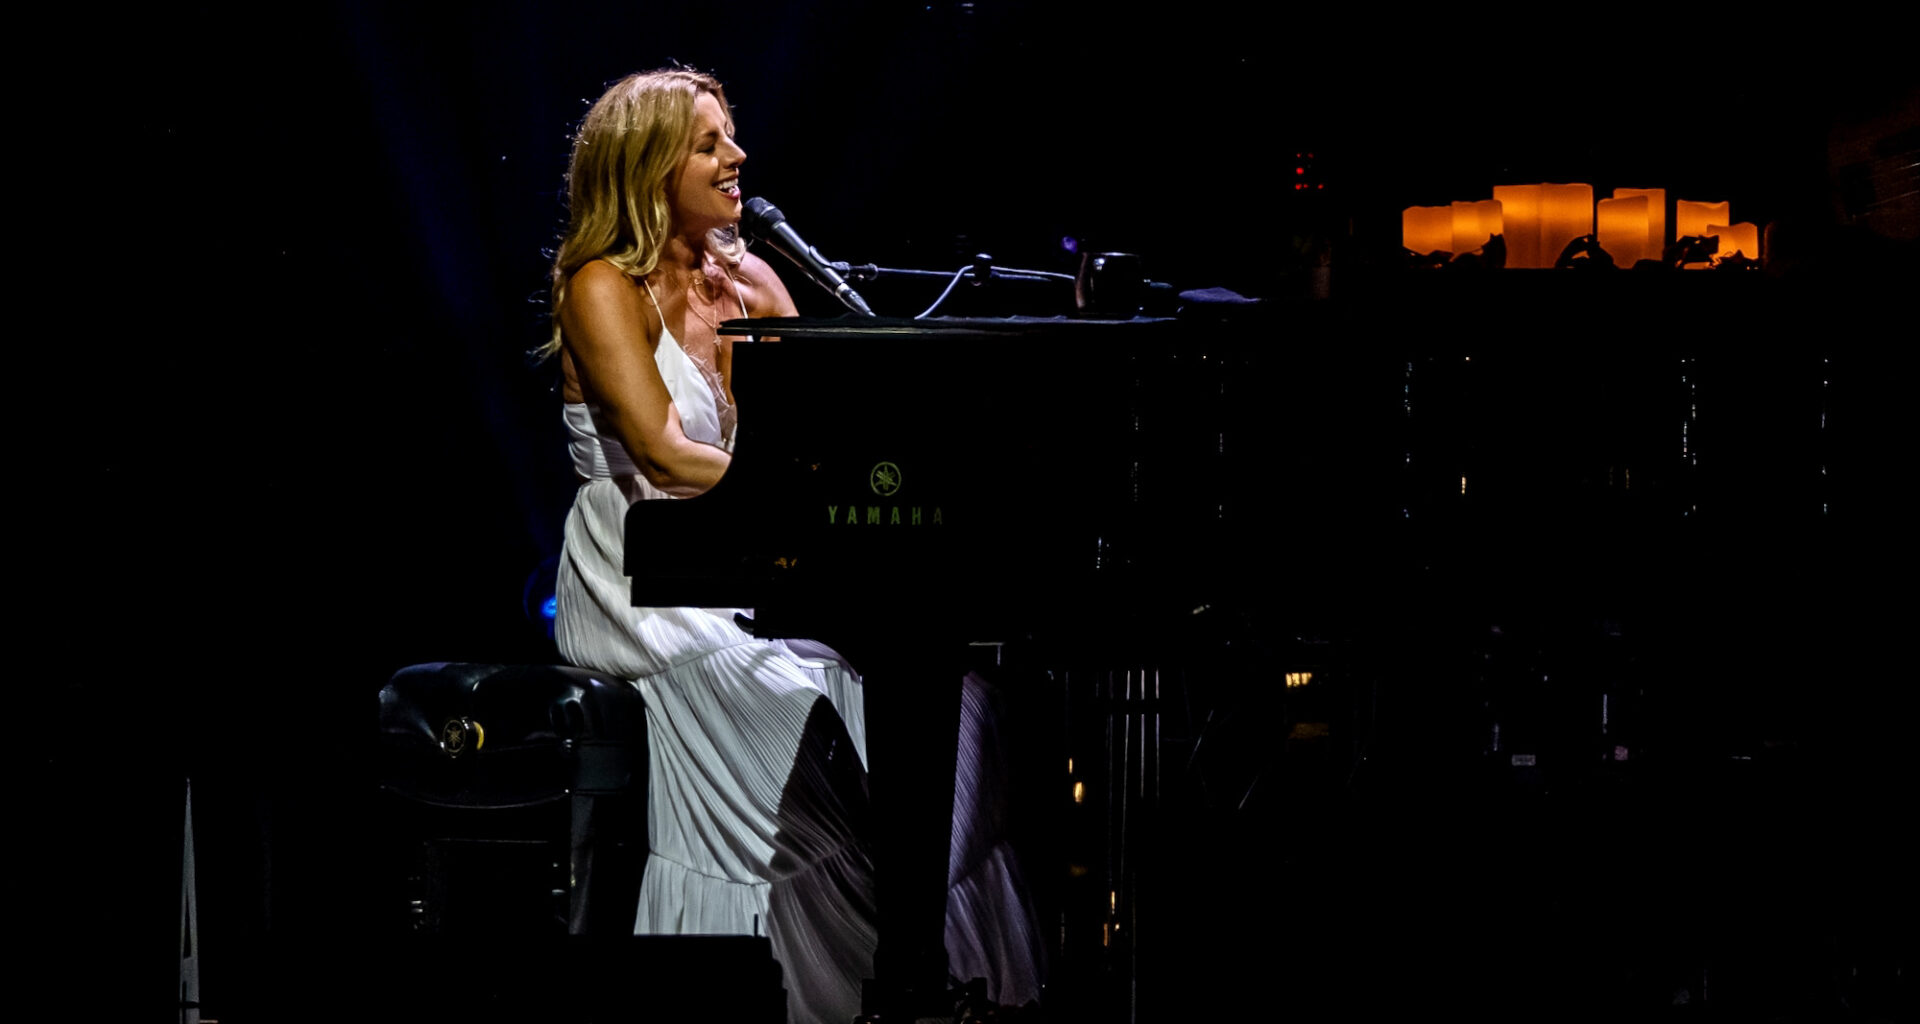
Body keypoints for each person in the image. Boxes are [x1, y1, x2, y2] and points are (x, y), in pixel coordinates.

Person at [544, 68, 1041, 1023]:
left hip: (753, 569)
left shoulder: (750, 278)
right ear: (649, 166)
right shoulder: (599, 285)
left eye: (730, 137)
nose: (737, 158)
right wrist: (810, 496)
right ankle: (811, 997)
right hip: (644, 580)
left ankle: (923, 976)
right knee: (800, 714)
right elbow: (662, 452)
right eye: (709, 143)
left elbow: (834, 432)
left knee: (960, 708)